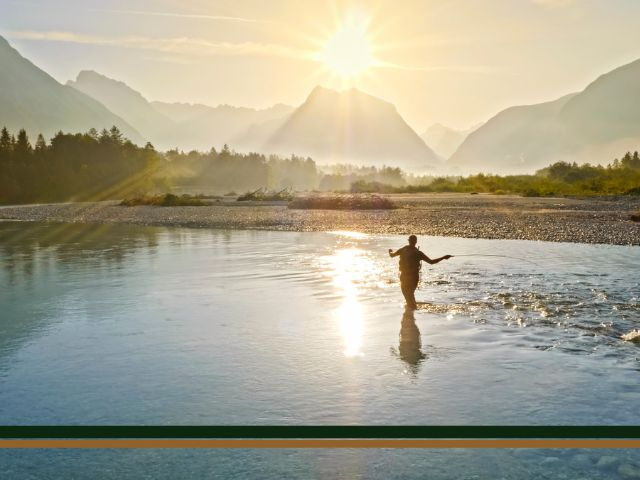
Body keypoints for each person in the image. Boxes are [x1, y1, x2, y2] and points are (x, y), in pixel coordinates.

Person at [388, 235, 452, 309]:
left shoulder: (404, 249)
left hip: (404, 276)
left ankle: (411, 314)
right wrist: (444, 257)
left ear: (408, 241)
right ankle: (412, 314)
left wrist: (390, 251)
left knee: (408, 296)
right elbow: (431, 262)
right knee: (410, 295)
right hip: (414, 277)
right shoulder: (418, 253)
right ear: (416, 242)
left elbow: (392, 255)